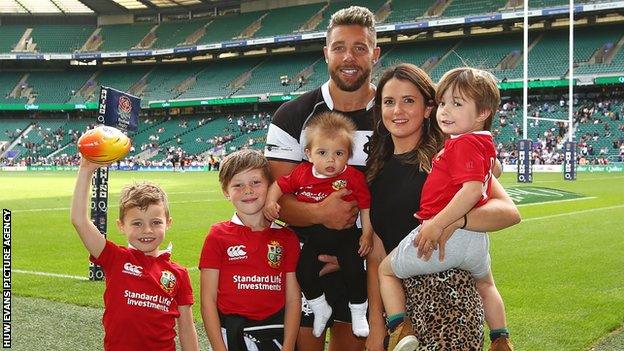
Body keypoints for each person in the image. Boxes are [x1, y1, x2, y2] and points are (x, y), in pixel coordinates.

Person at [365, 63, 521, 351]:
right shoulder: (377, 169)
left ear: (427, 108)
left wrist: (452, 221)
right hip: (402, 307)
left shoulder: (446, 156)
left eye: (408, 100)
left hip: (450, 300)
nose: (397, 110)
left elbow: (508, 212)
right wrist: (377, 324)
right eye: (389, 101)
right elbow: (377, 250)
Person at [264, 5, 379, 351]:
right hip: (307, 260)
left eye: (360, 48)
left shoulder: (394, 113)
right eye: (340, 47)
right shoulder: (292, 115)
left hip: (365, 262)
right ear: (326, 52)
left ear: (375, 54)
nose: (349, 57)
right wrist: (321, 215)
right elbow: (281, 199)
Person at [70, 158, 199, 351]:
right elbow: (79, 220)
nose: (147, 230)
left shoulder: (178, 274)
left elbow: (187, 328)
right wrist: (86, 169)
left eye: (156, 222)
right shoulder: (114, 258)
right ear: (121, 226)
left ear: (168, 223)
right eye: (137, 223)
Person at [264, 111, 373, 338]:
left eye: (339, 153)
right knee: (303, 271)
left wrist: (367, 234)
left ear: (348, 155)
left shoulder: (353, 177)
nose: (331, 160)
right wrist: (270, 202)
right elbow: (280, 185)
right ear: (309, 154)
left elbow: (365, 206)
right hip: (316, 238)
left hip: (345, 236)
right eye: (322, 153)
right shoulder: (302, 173)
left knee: (354, 270)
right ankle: (320, 307)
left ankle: (358, 311)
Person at [199, 149, 301, 351]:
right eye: (238, 185)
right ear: (226, 191)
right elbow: (207, 301)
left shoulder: (287, 238)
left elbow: (293, 299)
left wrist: (288, 347)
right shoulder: (217, 235)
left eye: (256, 182)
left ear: (270, 186)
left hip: (276, 335)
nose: (248, 190)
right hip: (231, 337)